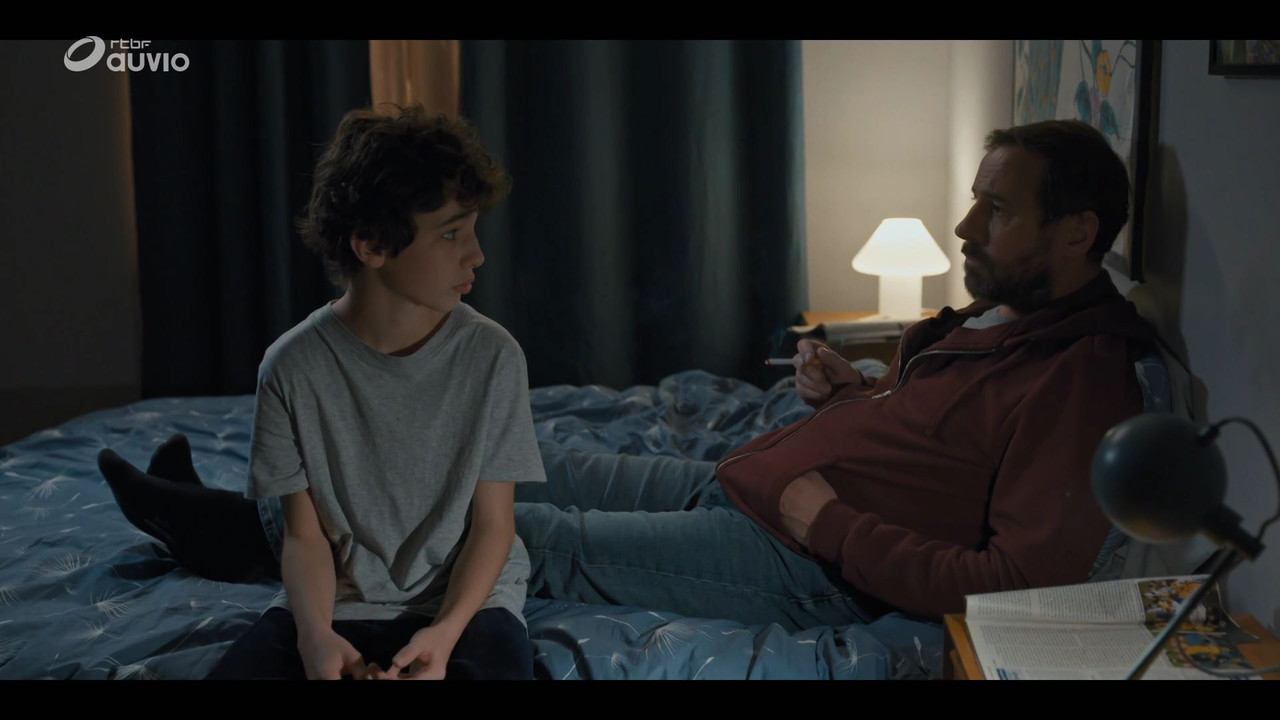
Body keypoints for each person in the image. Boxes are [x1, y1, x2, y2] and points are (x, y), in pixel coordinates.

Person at [101, 119, 1156, 643]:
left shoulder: (1083, 385)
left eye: (996, 210)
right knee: (519, 461)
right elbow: (935, 447)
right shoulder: (1007, 325)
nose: (966, 226)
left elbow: (1013, 583)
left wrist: (832, 524)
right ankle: (248, 498)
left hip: (799, 557)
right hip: (741, 484)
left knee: (511, 533)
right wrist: (851, 399)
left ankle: (220, 531)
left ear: (1075, 232)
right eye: (974, 200)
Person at [101, 104, 550, 680]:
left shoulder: (493, 356)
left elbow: (494, 526)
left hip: (469, 605)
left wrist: (443, 633)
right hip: (336, 601)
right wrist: (314, 635)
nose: (477, 253)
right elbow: (303, 537)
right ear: (371, 245)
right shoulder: (291, 366)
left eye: (472, 229)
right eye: (450, 233)